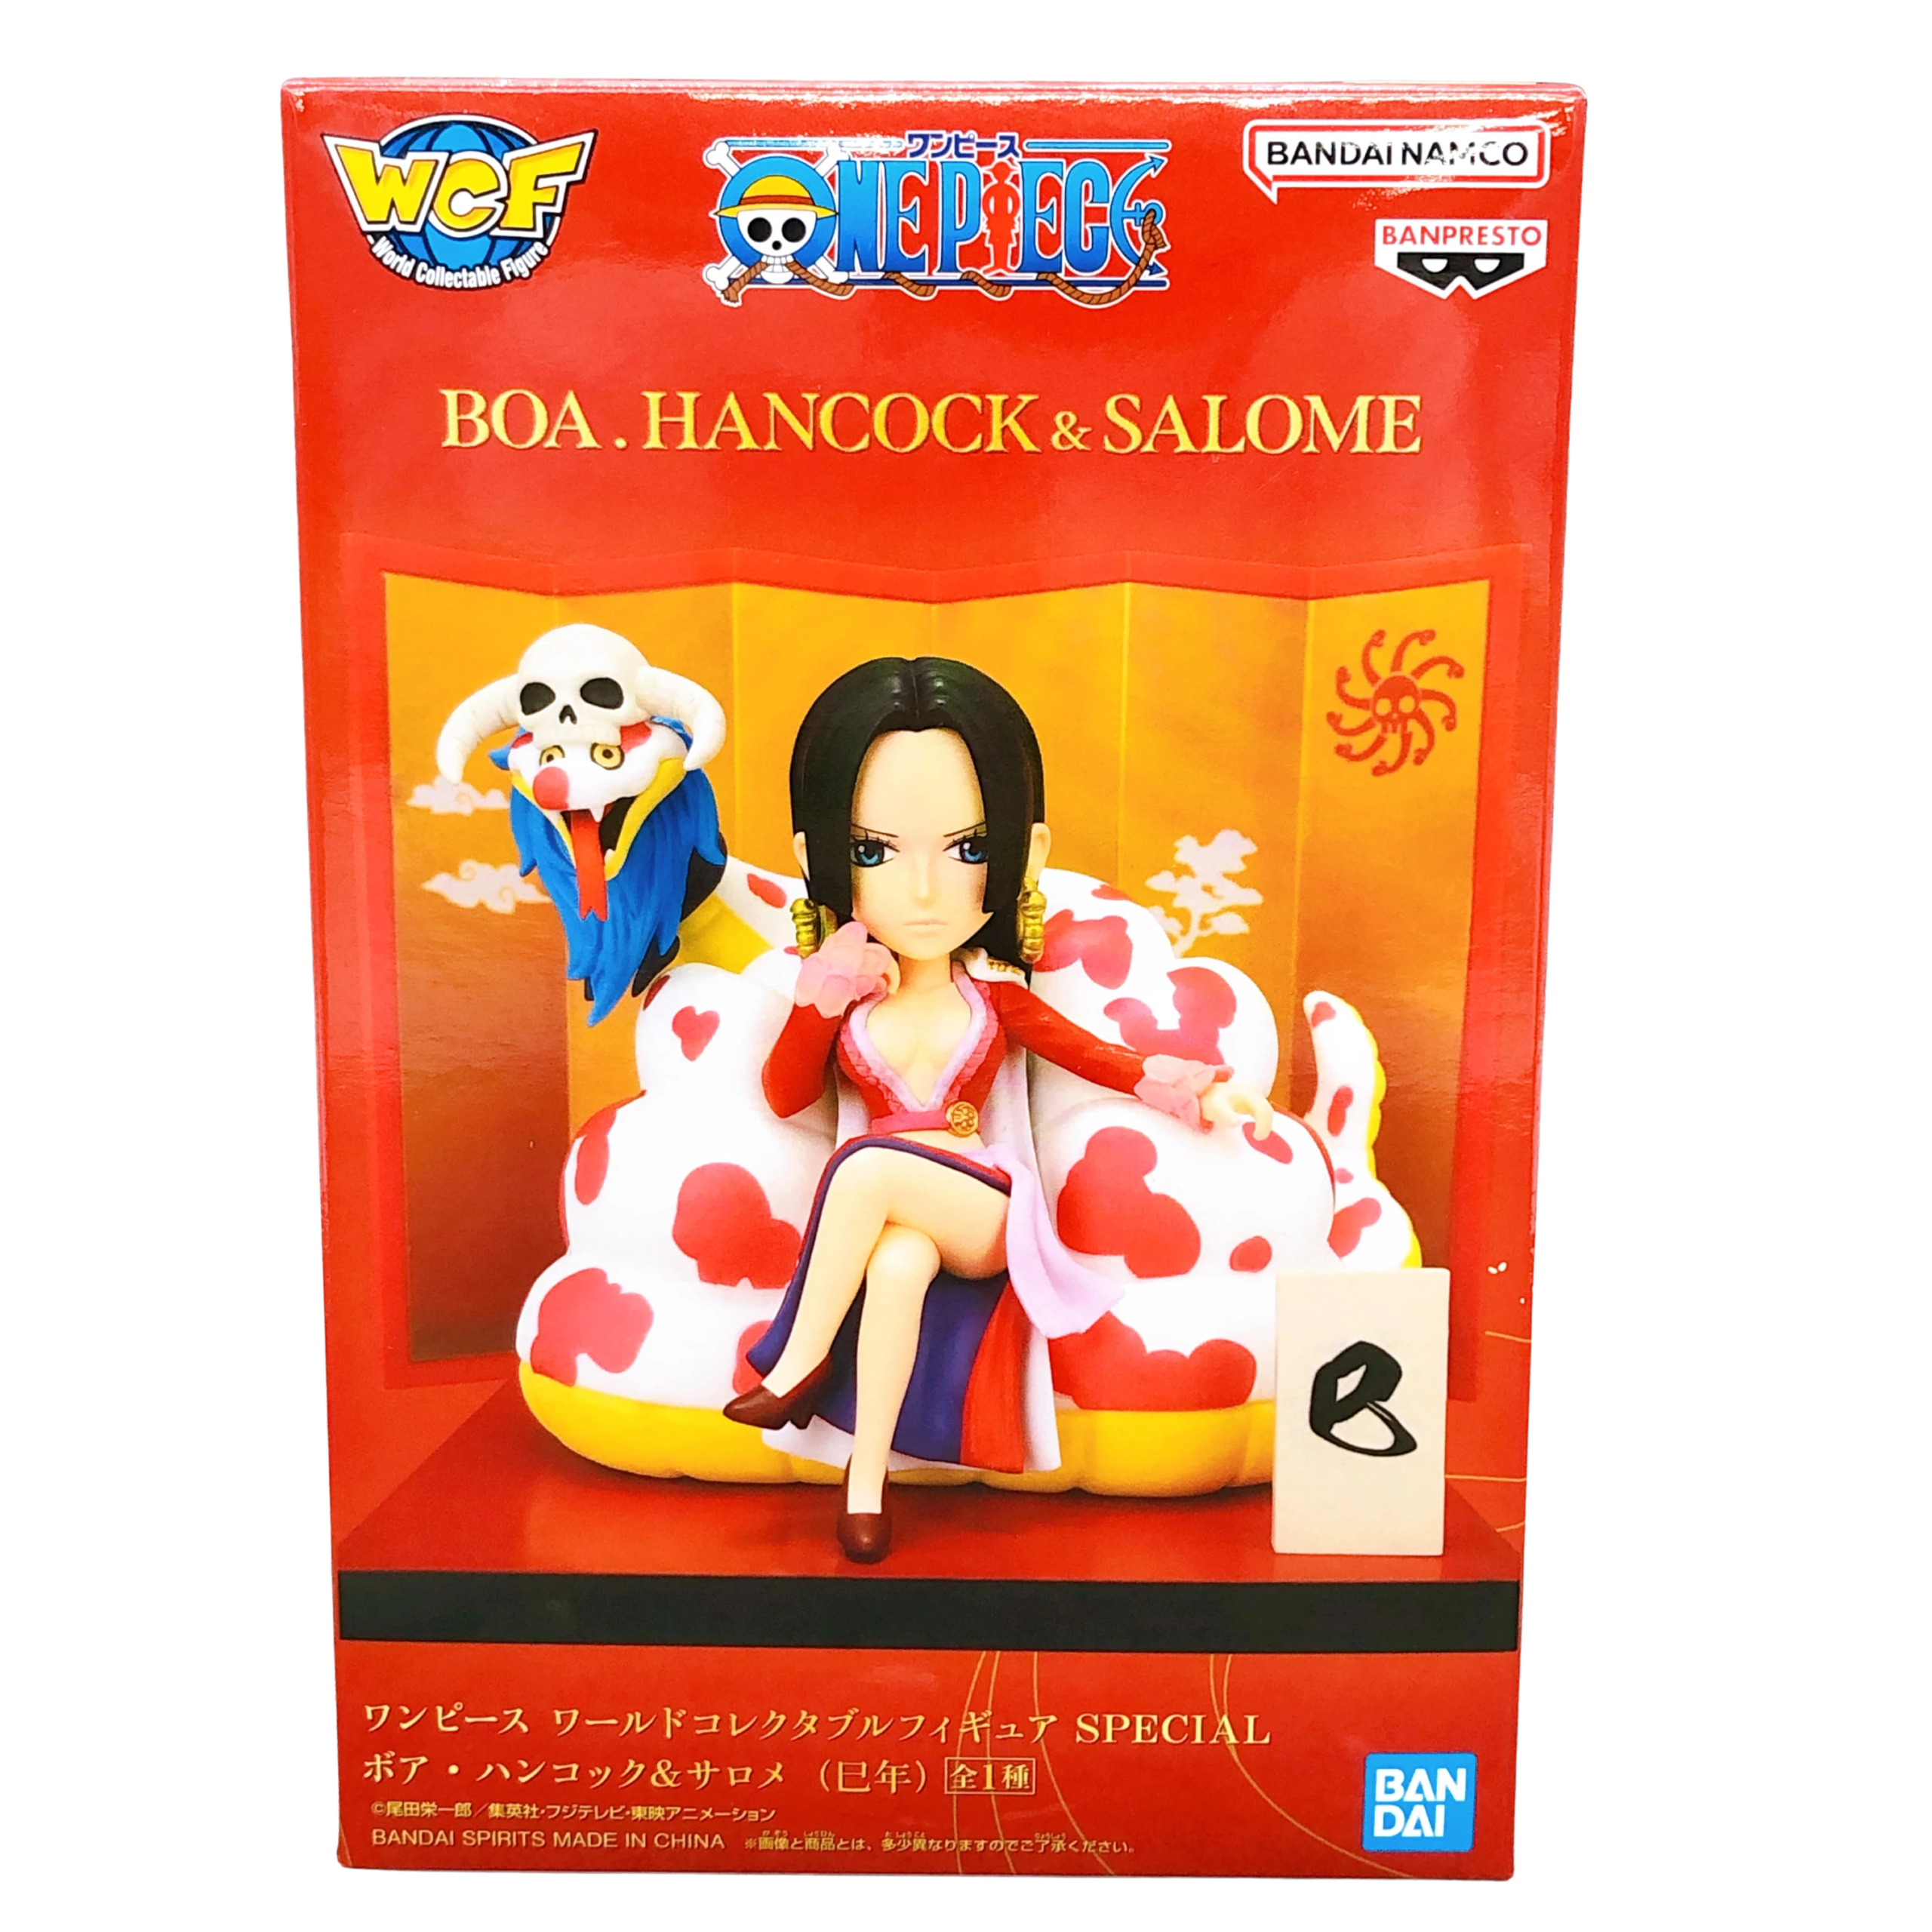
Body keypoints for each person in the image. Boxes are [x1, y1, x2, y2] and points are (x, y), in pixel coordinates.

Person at [723, 658, 1272, 1560]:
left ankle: (796, 1362)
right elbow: (785, 1094)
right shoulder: (848, 997)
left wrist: (1200, 1085)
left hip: (986, 1207)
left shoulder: (995, 996)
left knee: (865, 1163)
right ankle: (865, 1485)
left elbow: (1096, 1055)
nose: (924, 890)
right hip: (900, 1217)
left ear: (1026, 851)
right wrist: (819, 998)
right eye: (873, 852)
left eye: (968, 849)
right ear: (817, 858)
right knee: (895, 1266)